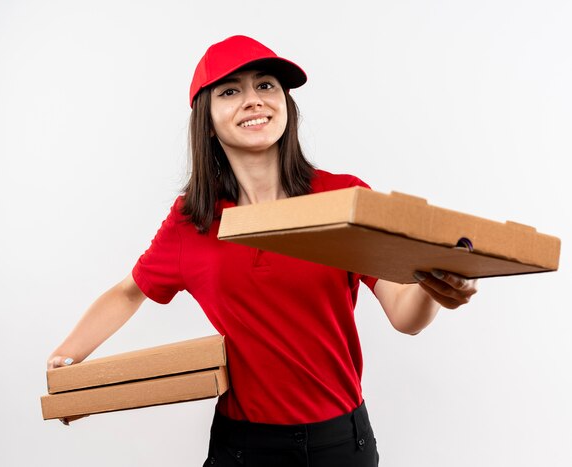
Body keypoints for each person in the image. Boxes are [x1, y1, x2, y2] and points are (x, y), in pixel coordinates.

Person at [47, 35, 478, 466]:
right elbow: (129, 291)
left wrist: (436, 285)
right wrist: (68, 362)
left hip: (340, 445)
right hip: (243, 449)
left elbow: (405, 314)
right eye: (231, 91)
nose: (254, 100)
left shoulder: (343, 197)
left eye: (266, 86)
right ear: (207, 119)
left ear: (286, 104)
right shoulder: (191, 221)